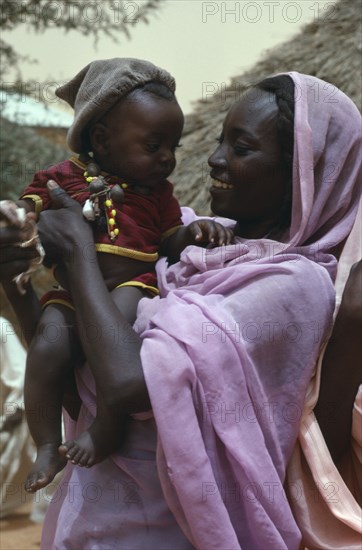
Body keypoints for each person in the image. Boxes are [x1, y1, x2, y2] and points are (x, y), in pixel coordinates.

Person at [0, 71, 361, 549]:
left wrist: (81, 256)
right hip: (83, 530)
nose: (213, 159)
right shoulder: (184, 249)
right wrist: (16, 278)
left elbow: (131, 386)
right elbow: (78, 392)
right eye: (218, 141)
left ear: (303, 171)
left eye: (242, 147)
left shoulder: (293, 285)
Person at [0, 58, 233, 494]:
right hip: (70, 291)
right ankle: (48, 442)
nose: (167, 158)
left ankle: (107, 427)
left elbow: (168, 240)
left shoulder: (159, 194)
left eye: (173, 147)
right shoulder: (62, 178)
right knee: (46, 351)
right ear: (103, 140)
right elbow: (27, 207)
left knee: (116, 342)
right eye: (154, 145)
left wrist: (194, 232)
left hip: (132, 284)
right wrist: (15, 220)